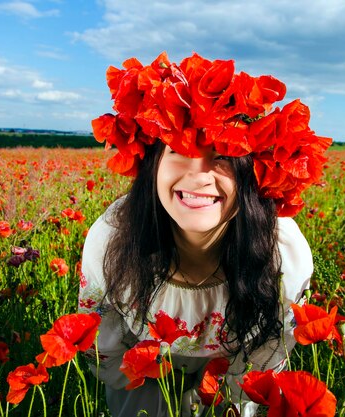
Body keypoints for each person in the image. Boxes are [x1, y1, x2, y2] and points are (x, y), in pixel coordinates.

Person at [78, 52, 331, 417]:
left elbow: (265, 361)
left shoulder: (283, 253)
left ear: (252, 176)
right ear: (153, 167)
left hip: (234, 386)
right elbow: (105, 349)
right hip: (144, 382)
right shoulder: (113, 239)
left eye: (224, 156)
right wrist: (151, 379)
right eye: (179, 150)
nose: (198, 175)